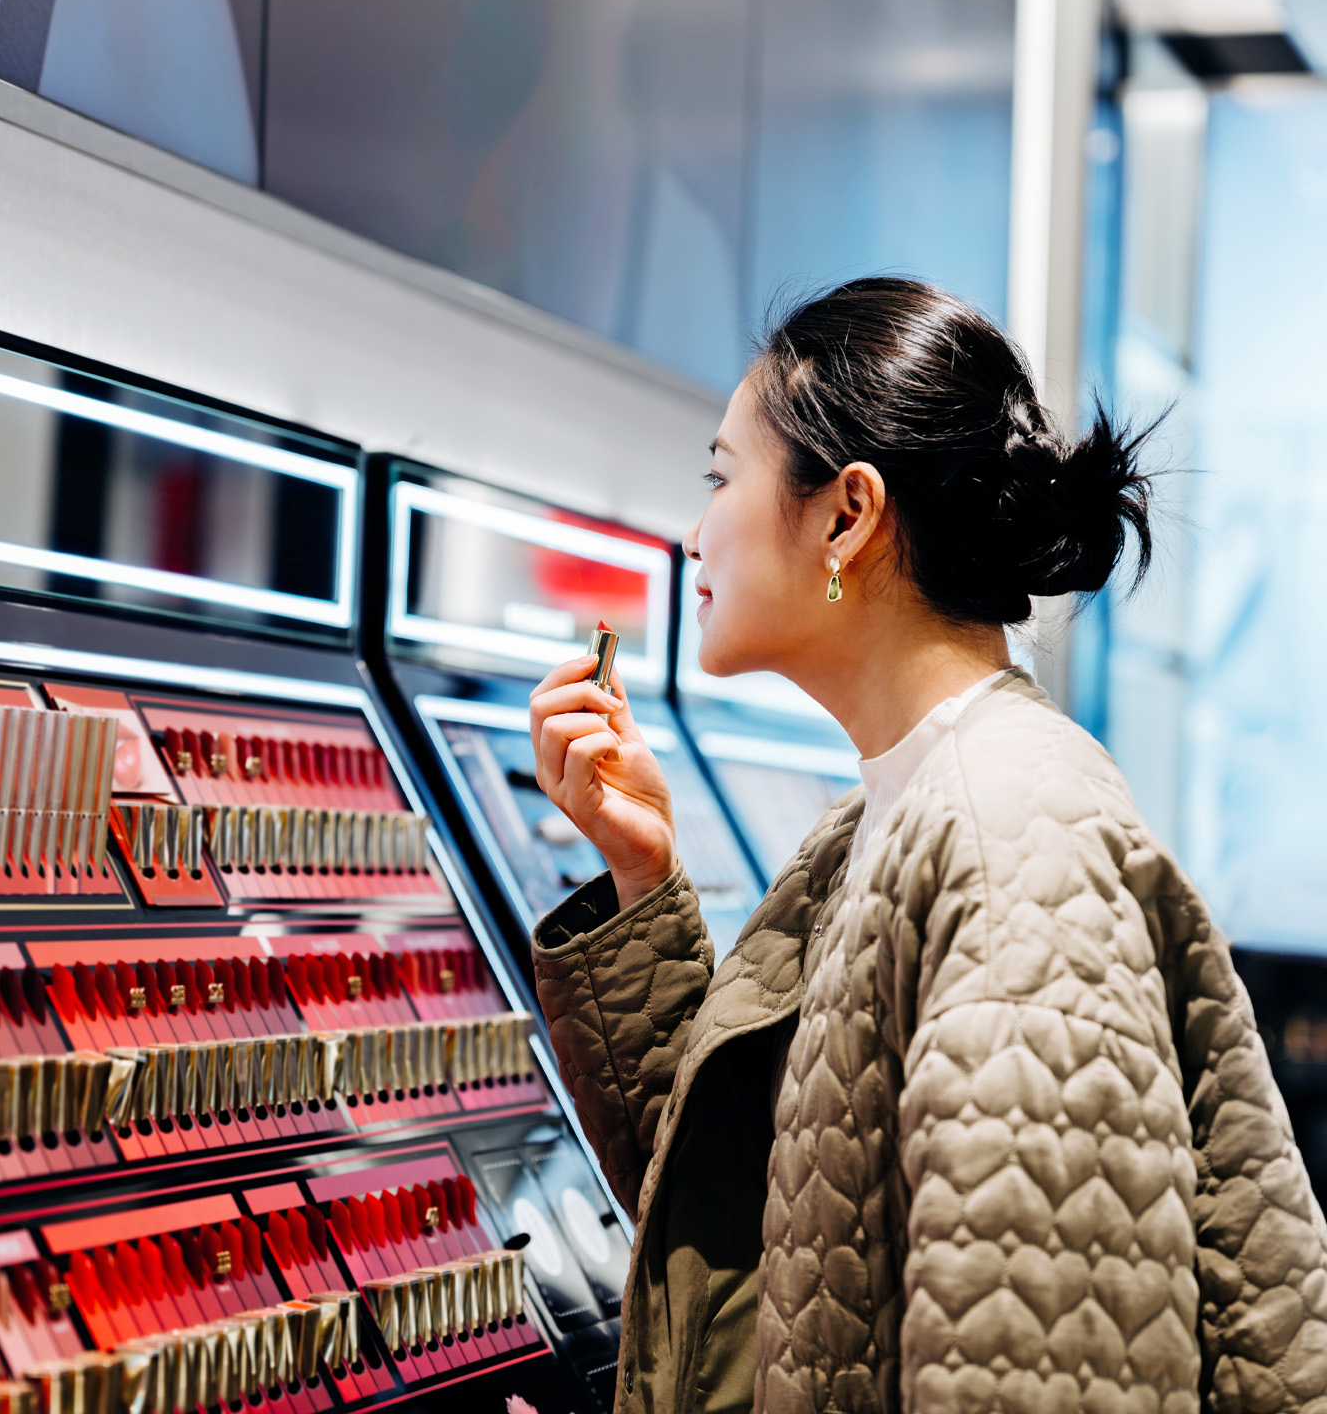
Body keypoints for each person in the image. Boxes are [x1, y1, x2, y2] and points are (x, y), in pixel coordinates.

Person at [527, 277, 1327, 1414]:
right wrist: (644, 875)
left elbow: (1039, 1371)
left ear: (847, 515)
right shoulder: (902, 812)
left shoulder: (1009, 842)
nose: (697, 530)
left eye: (720, 477)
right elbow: (781, 1248)